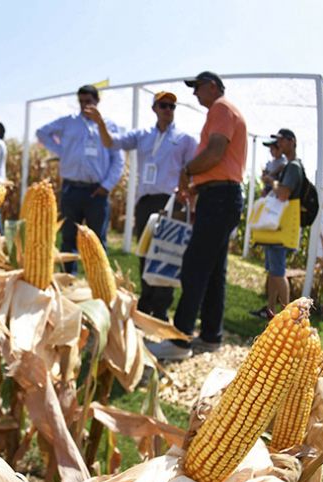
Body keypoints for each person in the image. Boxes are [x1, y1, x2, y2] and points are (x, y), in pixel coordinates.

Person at [152, 71, 247, 362]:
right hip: (221, 196)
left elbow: (216, 152)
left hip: (219, 199)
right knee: (214, 269)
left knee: (194, 265)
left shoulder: (221, 108)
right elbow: (221, 163)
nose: (194, 94)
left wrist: (187, 171)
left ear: (213, 86)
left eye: (197, 88)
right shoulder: (227, 111)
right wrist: (196, 187)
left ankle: (179, 340)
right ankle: (211, 335)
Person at [85, 91, 198, 320]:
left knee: (167, 255)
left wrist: (191, 206)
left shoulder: (185, 139)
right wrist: (100, 124)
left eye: (172, 107)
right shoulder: (142, 135)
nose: (168, 110)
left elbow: (193, 174)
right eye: (164, 105)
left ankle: (162, 308)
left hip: (171, 202)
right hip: (145, 202)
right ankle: (146, 304)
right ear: (154, 108)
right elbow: (111, 142)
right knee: (146, 252)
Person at [36, 84, 125, 272]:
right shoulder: (69, 122)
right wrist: (62, 150)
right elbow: (41, 132)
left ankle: (100, 282)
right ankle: (69, 278)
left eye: (89, 101)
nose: (85, 105)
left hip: (97, 191)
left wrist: (107, 186)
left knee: (97, 240)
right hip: (71, 189)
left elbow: (118, 160)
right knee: (69, 237)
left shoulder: (109, 126)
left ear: (97, 101)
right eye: (81, 102)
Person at [249, 129, 305, 320]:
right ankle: (271, 310)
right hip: (276, 228)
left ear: (292, 141)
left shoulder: (293, 167)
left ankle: (288, 317)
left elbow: (283, 194)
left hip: (281, 227)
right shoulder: (290, 166)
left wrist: (270, 181)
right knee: (273, 272)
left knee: (279, 273)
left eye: (281, 141)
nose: (278, 144)